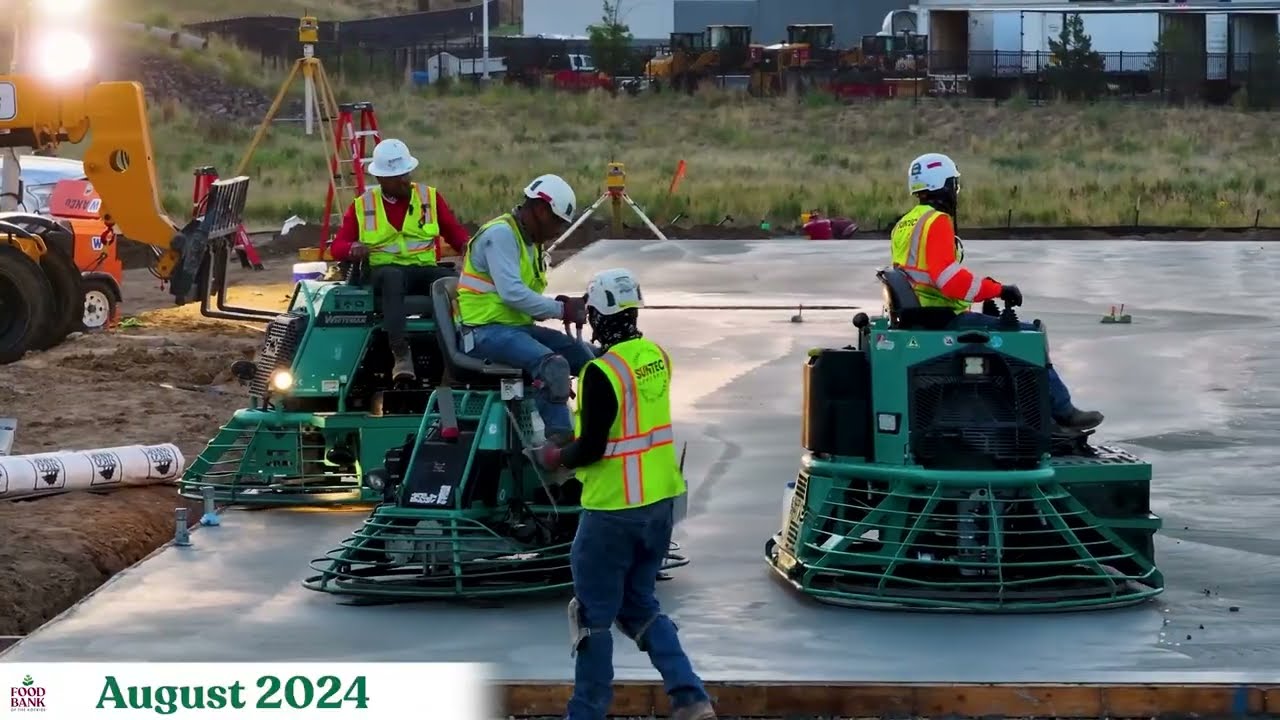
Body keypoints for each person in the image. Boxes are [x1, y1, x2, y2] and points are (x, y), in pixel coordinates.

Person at [534, 268, 715, 720]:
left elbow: (593, 445)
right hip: (659, 505)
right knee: (639, 604)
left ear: (597, 313)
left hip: (613, 509)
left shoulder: (601, 372)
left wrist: (555, 457)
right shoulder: (656, 356)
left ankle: (586, 712)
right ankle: (690, 698)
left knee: (592, 617)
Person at [891, 152, 1104, 432]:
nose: (955, 191)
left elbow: (926, 278)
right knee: (1031, 338)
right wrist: (999, 289)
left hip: (924, 315)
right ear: (942, 184)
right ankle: (1059, 413)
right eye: (953, 184)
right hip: (943, 319)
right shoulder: (937, 221)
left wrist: (983, 295)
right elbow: (949, 280)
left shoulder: (903, 224)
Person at [454, 173, 596, 443]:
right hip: (483, 334)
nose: (558, 231)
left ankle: (599, 429)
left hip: (516, 330)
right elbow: (512, 294)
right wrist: (560, 310)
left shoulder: (530, 242)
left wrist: (560, 305)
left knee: (588, 357)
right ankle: (561, 447)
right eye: (558, 223)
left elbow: (524, 299)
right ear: (541, 210)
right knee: (553, 365)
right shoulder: (501, 235)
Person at [328, 138, 470, 381]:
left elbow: (456, 235)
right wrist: (353, 248)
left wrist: (470, 247)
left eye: (406, 173)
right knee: (393, 277)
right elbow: (338, 247)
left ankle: (457, 355)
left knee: (452, 282)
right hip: (384, 274)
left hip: (422, 269)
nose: (405, 180)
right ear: (381, 180)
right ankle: (401, 355)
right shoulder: (363, 206)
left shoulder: (429, 198)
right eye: (397, 177)